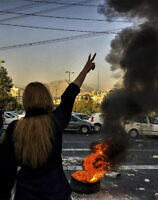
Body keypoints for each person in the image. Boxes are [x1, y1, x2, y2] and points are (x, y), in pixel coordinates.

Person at [0, 53, 96, 200]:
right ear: (46, 98)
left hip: (26, 194)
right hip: (57, 193)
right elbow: (69, 96)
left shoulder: (15, 128)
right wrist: (85, 70)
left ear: (26, 101)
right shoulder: (55, 121)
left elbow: (6, 173)